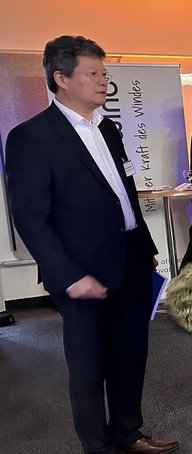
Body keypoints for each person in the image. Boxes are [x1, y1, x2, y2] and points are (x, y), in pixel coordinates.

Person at [5, 35, 178, 454]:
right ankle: (97, 447)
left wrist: (146, 246)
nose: (104, 81)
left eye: (105, 72)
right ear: (61, 78)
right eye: (94, 73)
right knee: (88, 368)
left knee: (130, 356)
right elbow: (30, 217)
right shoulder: (32, 137)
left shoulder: (108, 128)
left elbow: (124, 189)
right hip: (81, 273)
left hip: (131, 262)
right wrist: (67, 277)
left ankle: (128, 432)